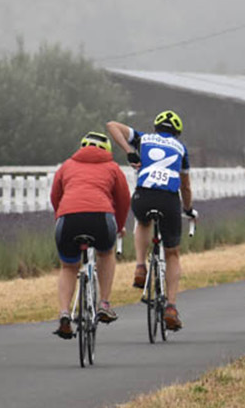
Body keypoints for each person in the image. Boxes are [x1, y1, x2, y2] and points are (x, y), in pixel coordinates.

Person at [105, 111, 196, 331]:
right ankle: (172, 306)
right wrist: (187, 208)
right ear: (177, 132)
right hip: (169, 200)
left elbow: (111, 125)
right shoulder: (181, 148)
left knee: (143, 222)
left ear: (156, 127)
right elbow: (185, 186)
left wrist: (129, 153)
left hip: (144, 195)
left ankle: (139, 266)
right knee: (172, 253)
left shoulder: (143, 138)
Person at [49, 132, 131, 339]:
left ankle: (65, 313)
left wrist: (61, 218)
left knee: (68, 267)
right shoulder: (112, 168)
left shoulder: (67, 166)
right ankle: (104, 303)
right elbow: (123, 201)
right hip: (101, 219)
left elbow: (55, 196)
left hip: (67, 219)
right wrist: (119, 227)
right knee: (105, 253)